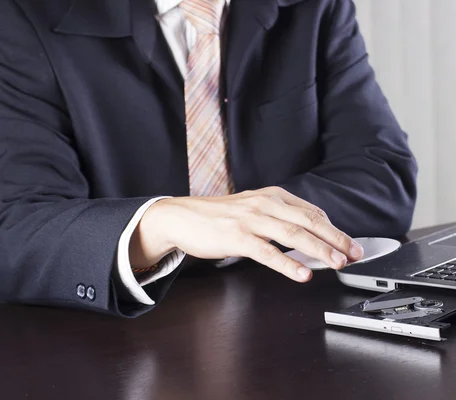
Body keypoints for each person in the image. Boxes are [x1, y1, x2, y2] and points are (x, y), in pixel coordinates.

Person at [0, 0, 418, 317]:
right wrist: (162, 224)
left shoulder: (313, 7)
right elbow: (15, 229)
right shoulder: (22, 15)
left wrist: (243, 223)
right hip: (102, 341)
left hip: (288, 313)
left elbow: (383, 179)